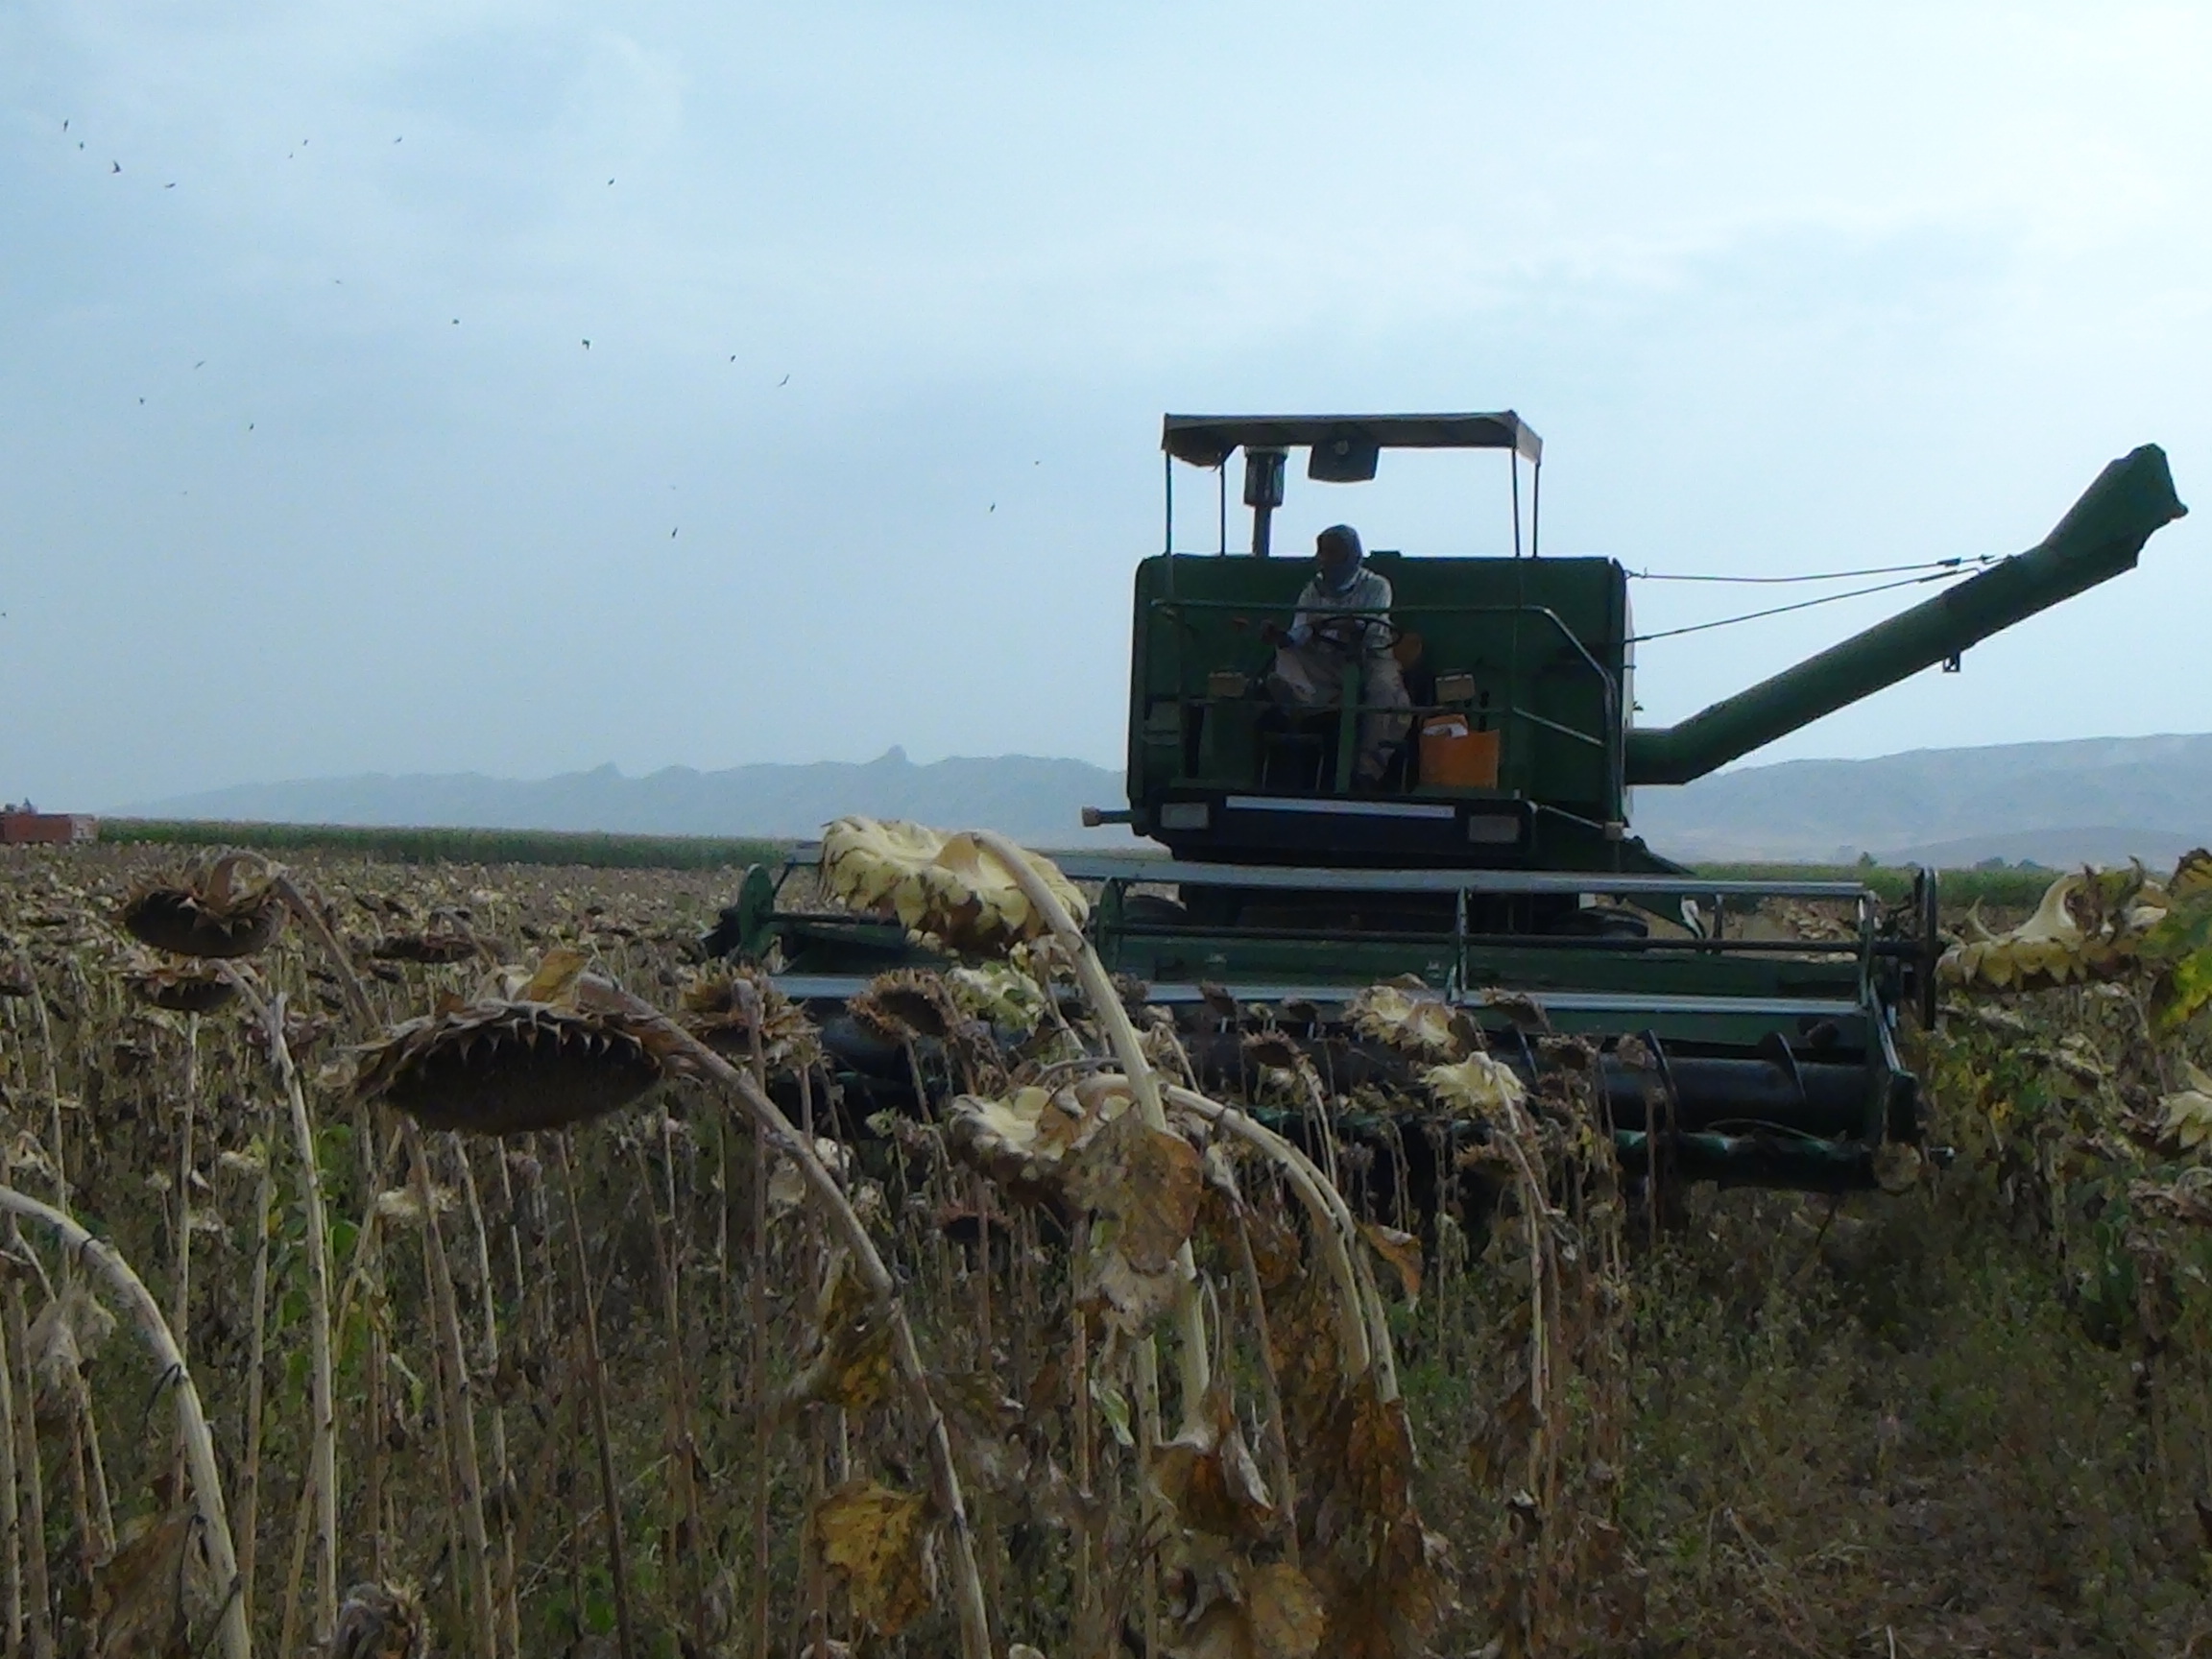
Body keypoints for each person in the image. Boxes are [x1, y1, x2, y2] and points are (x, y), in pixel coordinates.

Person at [1262, 524, 1411, 784]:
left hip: (1371, 657)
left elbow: (1370, 627)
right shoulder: (1312, 590)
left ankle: (1368, 770)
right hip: (1327, 658)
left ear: (1351, 555)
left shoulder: (1376, 586)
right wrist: (1281, 637)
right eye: (1321, 552)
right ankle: (1297, 698)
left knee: (1385, 689)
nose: (1323, 559)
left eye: (1331, 552)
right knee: (1287, 653)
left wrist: (1335, 625)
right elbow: (1300, 631)